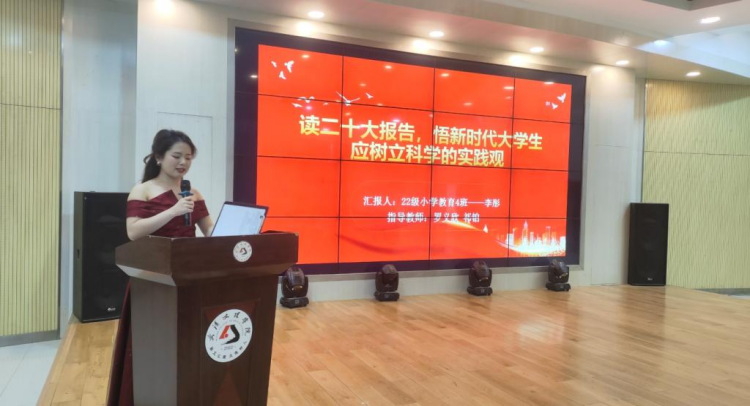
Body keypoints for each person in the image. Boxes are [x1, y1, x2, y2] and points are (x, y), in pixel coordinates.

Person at [107, 129, 213, 406]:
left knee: (186, 342)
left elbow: (210, 231)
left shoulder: (193, 193)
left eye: (188, 157)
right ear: (158, 157)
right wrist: (173, 211)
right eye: (177, 156)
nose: (183, 162)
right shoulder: (143, 189)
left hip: (188, 276)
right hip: (153, 278)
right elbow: (133, 232)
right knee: (154, 344)